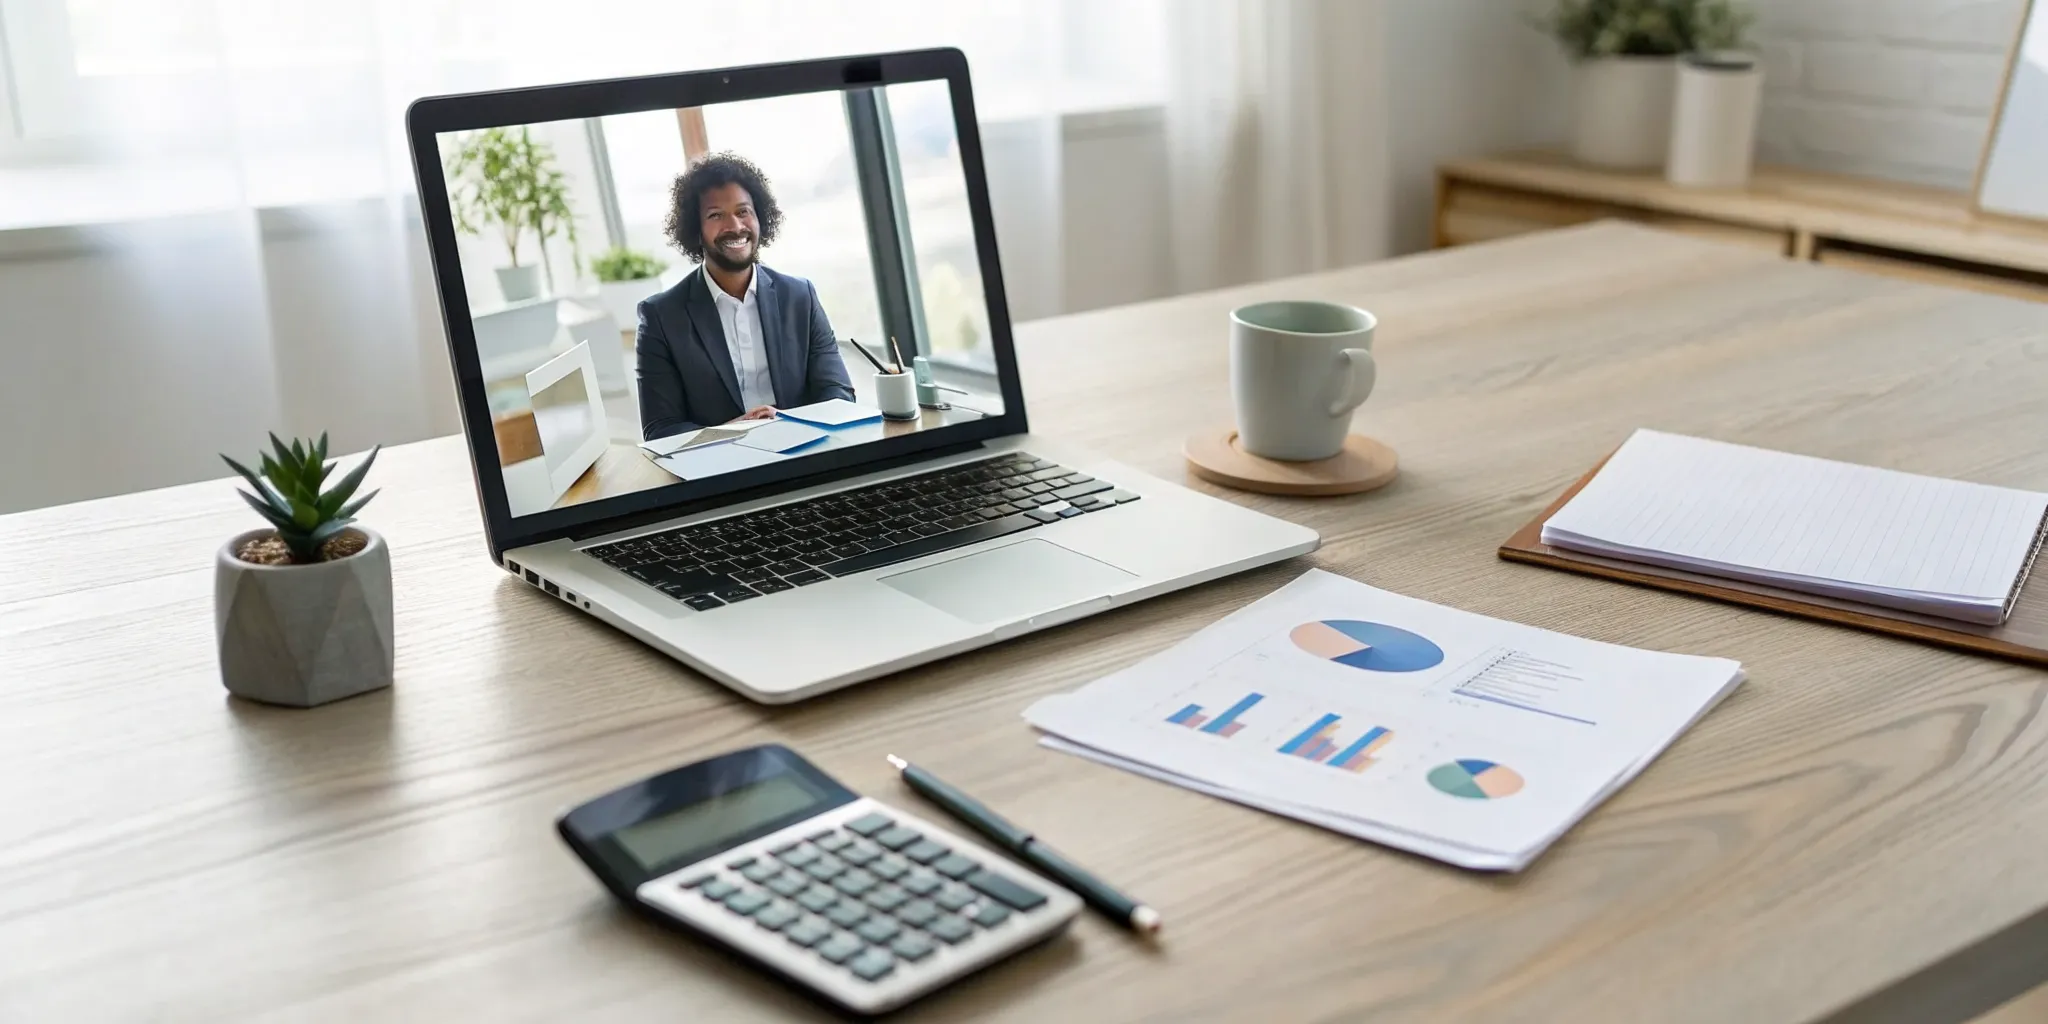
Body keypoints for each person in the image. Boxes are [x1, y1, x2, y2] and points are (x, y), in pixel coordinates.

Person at [634, 152, 855, 441]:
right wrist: (733, 431)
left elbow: (838, 394)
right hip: (720, 468)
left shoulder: (800, 297)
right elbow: (660, 429)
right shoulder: (661, 317)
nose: (735, 227)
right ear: (695, 229)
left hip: (805, 451)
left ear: (759, 217)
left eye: (743, 212)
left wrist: (788, 422)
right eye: (716, 215)